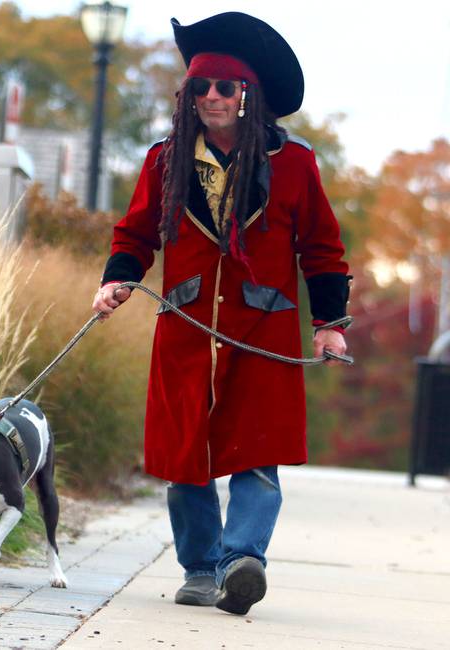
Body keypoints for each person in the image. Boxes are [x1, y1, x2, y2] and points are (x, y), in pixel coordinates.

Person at [91, 12, 351, 616]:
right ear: (188, 98)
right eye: (201, 87)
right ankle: (201, 566)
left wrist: (331, 325)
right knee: (187, 459)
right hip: (185, 331)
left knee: (257, 453)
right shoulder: (163, 161)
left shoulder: (295, 164)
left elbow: (322, 248)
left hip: (264, 329)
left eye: (226, 87)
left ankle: (241, 561)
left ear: (247, 96)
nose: (212, 97)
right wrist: (117, 280)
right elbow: (136, 234)